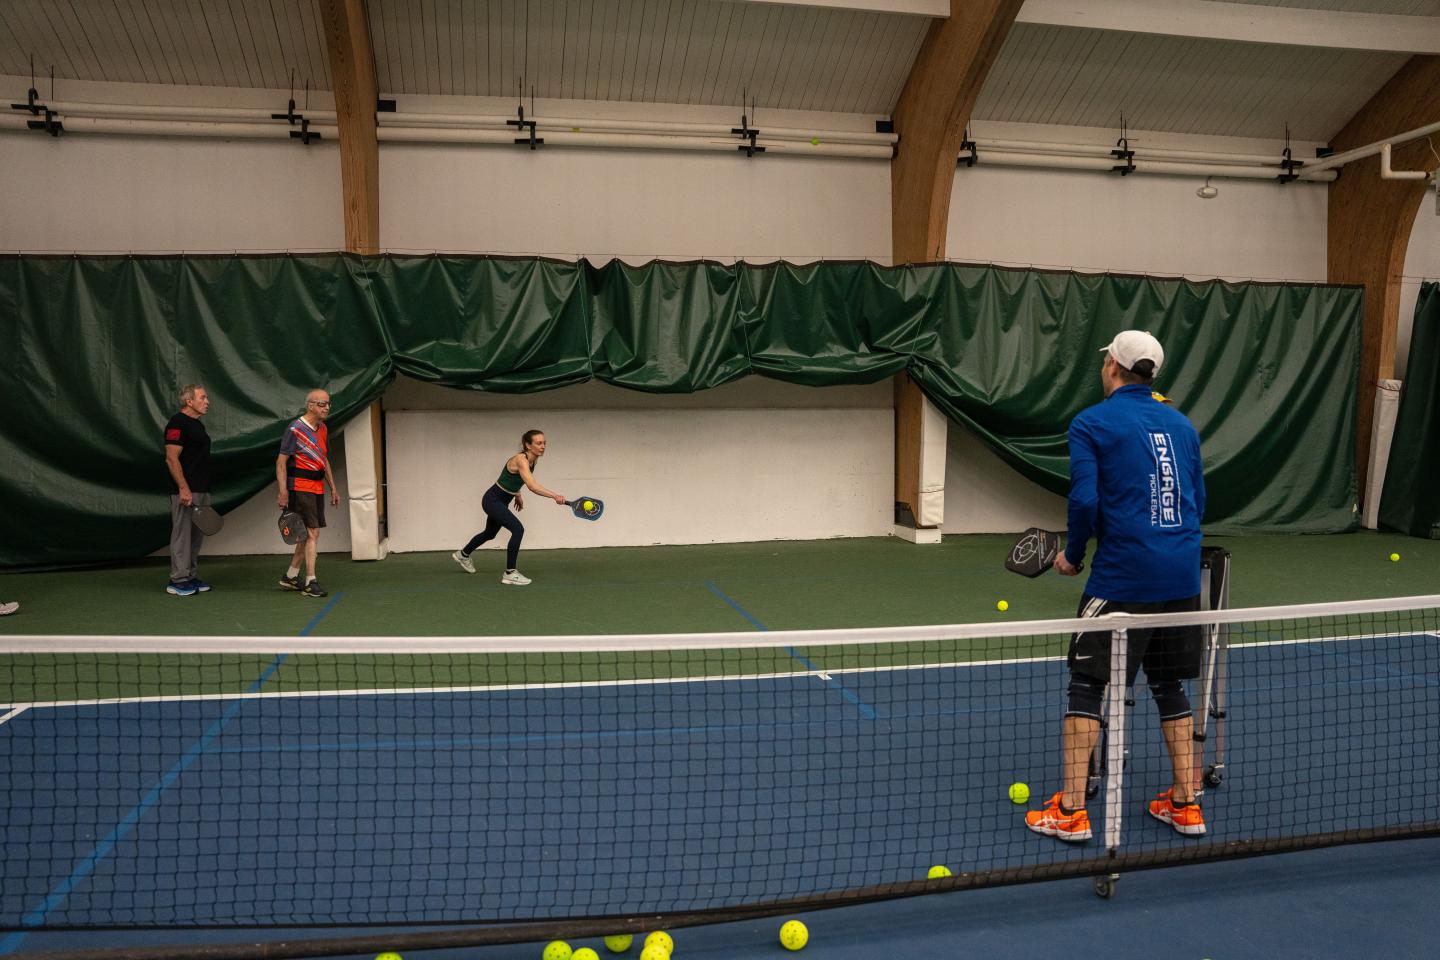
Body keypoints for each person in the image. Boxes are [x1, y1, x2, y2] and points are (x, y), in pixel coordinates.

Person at [1024, 330, 1207, 843]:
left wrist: (1073, 555)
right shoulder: (1182, 425)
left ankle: (1071, 810)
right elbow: (1197, 498)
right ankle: (1185, 803)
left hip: (1123, 576)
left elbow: (1083, 502)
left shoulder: (1092, 423)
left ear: (1112, 368)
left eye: (1105, 357)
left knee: (1087, 684)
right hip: (1181, 574)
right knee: (1169, 683)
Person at [452, 429, 567, 585]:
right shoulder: (522, 459)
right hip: (492, 500)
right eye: (539, 443)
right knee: (518, 529)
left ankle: (463, 554)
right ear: (528, 444)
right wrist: (555, 495)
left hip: (501, 500)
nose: (543, 446)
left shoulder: (533, 460)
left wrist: (517, 493)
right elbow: (532, 485)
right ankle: (510, 573)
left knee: (490, 533)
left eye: (544, 443)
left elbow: (514, 478)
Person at [276, 389, 340, 598]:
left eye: (328, 404)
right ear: (310, 405)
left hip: (317, 487)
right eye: (322, 404)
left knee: (305, 535)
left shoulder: (322, 429)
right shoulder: (295, 429)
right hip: (300, 487)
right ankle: (310, 581)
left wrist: (333, 487)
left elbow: (324, 459)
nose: (327, 407)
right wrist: (283, 491)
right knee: (313, 533)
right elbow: (281, 461)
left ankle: (290, 576)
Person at [164, 384, 213, 597]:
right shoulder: (177, 423)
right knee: (182, 534)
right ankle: (178, 580)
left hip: (201, 489)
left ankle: (190, 576)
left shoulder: (197, 425)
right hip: (186, 491)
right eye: (202, 397)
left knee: (195, 536)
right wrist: (183, 488)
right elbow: (171, 458)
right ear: (189, 401)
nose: (207, 401)